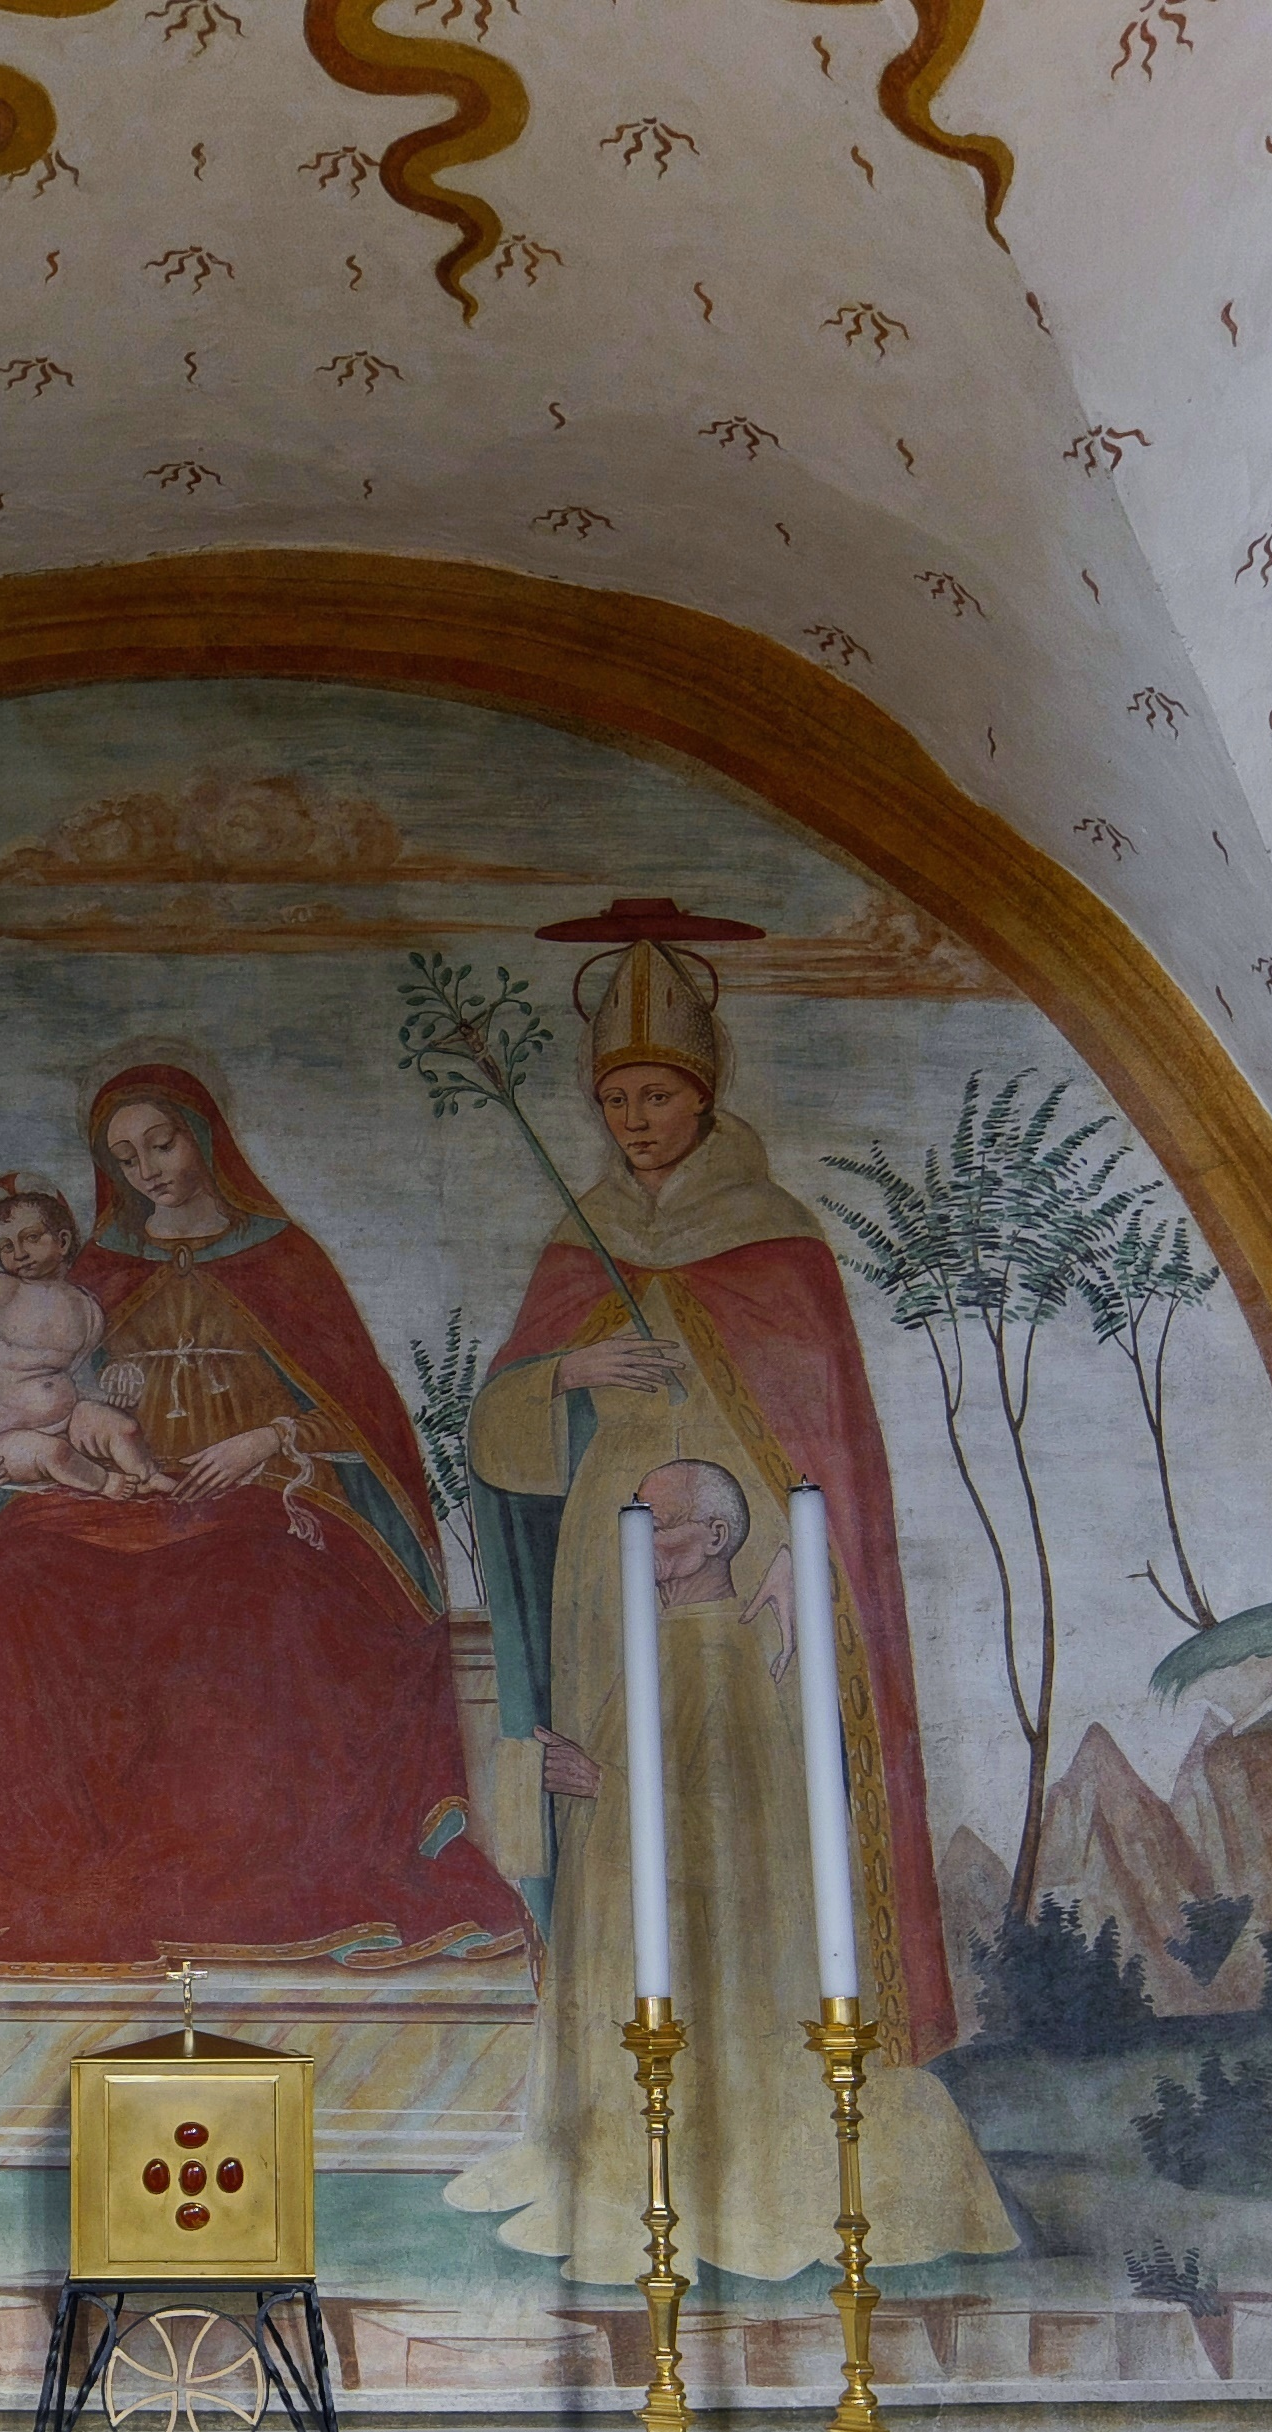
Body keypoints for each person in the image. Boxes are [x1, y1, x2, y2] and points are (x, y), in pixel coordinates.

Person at [445, 909, 1014, 2284]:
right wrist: (574, 1376)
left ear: (704, 1098)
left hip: (742, 1567)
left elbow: (823, 1444)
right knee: (620, 1806)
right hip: (604, 1573)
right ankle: (613, 2133)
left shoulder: (775, 1240)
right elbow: (497, 1441)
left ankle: (770, 2128)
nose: (638, 1121)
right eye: (619, 1099)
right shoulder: (578, 1246)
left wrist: (767, 1555)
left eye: (658, 1096)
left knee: (745, 1818)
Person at [0, 1047, 526, 1973]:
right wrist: (44, 1436)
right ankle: (71, 1858)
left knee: (257, 1576)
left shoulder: (280, 1259)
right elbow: (24, 1382)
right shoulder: (88, 1273)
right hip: (127, 1492)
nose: (148, 1172)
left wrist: (264, 1440)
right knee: (15, 1569)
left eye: (161, 1144)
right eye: (125, 1158)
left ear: (204, 1139)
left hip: (272, 1496)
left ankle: (260, 1859)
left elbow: (358, 1412)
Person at [0, 1171, 160, 1497]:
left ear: (63, 1242)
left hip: (68, 1422)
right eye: (6, 1246)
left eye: (31, 1238)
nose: (19, 1252)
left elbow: (81, 1375)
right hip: (7, 1441)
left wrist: (113, 1395)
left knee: (123, 1427)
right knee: (56, 1454)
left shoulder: (84, 1306)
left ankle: (146, 1474)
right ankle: (106, 1484)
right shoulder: (0, 1290)